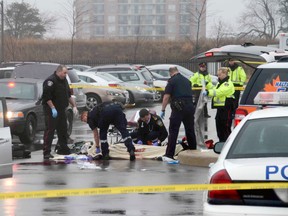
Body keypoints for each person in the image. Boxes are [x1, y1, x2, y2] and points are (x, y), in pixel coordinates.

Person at [160, 66, 197, 161]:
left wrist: (163, 110)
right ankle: (193, 151)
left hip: (178, 108)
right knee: (190, 129)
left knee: (173, 131)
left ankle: (169, 155)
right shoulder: (187, 80)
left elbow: (166, 97)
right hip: (190, 107)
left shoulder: (171, 81)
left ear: (170, 73)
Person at [42, 65, 78, 159]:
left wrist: (74, 106)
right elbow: (46, 97)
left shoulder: (64, 80)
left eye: (66, 73)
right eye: (64, 73)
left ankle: (63, 149)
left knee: (63, 129)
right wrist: (53, 108)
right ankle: (46, 152)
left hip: (62, 109)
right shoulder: (50, 81)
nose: (66, 75)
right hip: (51, 110)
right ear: (58, 72)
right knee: (50, 130)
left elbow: (69, 95)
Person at [203, 67, 235, 142]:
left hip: (226, 107)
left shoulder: (228, 84)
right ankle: (221, 142)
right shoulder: (220, 83)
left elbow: (220, 92)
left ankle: (228, 143)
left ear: (225, 74)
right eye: (218, 75)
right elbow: (215, 89)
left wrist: (208, 92)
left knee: (225, 127)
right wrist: (208, 84)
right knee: (219, 126)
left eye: (220, 74)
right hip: (220, 108)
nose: (218, 76)